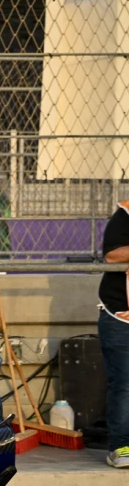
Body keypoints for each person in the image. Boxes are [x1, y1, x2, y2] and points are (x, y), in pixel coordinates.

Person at [96, 199, 129, 467]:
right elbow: (112, 256)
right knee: (125, 385)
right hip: (121, 316)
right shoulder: (125, 214)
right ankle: (121, 447)